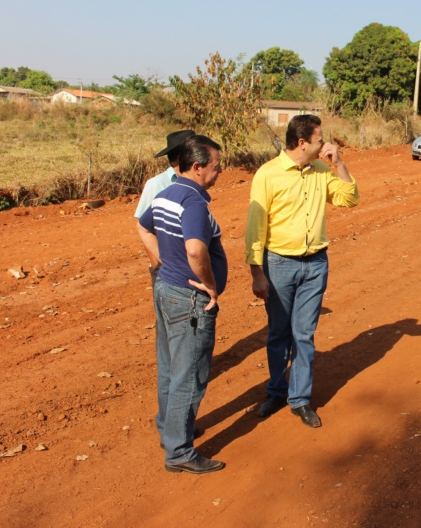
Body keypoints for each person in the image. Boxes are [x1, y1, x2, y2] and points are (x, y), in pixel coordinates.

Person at [245, 114, 359, 428]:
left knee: (304, 334)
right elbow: (255, 226)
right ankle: (276, 391)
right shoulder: (268, 174)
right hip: (279, 264)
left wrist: (340, 164)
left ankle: (299, 399)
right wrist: (256, 271)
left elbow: (349, 199)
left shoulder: (321, 170)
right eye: (320, 140)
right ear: (302, 143)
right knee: (279, 333)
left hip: (316, 264)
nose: (325, 144)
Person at [137, 135, 227, 474]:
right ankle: (179, 451)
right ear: (197, 167)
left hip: (166, 289)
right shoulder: (193, 202)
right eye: (216, 166)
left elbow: (143, 227)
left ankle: (169, 428)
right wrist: (210, 285)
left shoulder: (165, 194)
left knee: (170, 366)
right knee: (190, 374)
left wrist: (165, 263)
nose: (220, 171)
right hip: (189, 300)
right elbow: (195, 249)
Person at [135, 129, 196, 285]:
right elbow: (146, 228)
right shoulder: (156, 184)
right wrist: (157, 266)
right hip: (167, 269)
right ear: (182, 157)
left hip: (192, 264)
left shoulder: (195, 182)